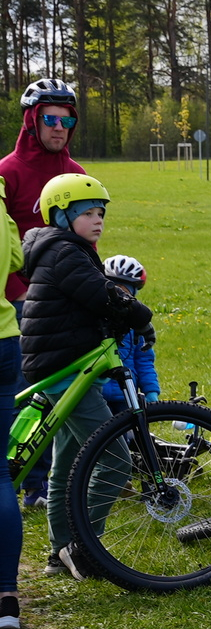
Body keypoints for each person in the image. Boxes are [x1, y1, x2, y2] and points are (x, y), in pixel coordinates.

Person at [20, 173, 151, 580]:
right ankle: (86, 546)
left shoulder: (61, 248)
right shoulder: (66, 252)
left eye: (101, 214)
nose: (98, 221)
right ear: (62, 215)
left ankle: (61, 551)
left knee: (65, 466)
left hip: (64, 365)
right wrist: (138, 313)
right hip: (64, 370)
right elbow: (102, 294)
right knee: (114, 459)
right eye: (87, 213)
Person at [0, 78, 83, 509]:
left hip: (68, 301)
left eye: (67, 121)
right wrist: (22, 297)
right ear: (32, 122)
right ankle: (28, 481)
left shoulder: (78, 176)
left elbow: (87, 243)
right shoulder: (7, 172)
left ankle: (62, 476)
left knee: (65, 392)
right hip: (20, 303)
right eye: (51, 119)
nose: (60, 128)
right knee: (24, 391)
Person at [0, 179, 24, 628]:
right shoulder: (0, 205)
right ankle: (7, 597)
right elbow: (18, 259)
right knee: (1, 477)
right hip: (5, 341)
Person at [101, 256, 159, 415]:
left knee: (129, 438)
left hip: (126, 396)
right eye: (116, 290)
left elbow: (144, 360)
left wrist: (151, 390)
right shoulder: (96, 321)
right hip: (98, 394)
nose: (119, 297)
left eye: (125, 292)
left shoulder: (135, 326)